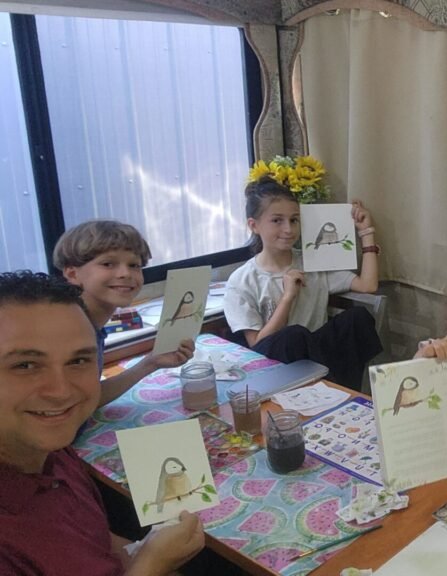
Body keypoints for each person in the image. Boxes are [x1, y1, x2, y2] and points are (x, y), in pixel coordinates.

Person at [0, 271, 205, 575]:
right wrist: (150, 566)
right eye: (25, 365)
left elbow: (97, 545)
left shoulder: (56, 455)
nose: (61, 391)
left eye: (79, 361)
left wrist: (149, 555)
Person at [224, 176, 383, 390]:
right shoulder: (241, 281)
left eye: (294, 220)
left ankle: (342, 390)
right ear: (254, 225)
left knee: (358, 317)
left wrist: (366, 232)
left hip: (321, 357)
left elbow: (368, 285)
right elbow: (257, 343)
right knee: (294, 335)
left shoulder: (313, 260)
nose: (288, 229)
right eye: (277, 220)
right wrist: (288, 297)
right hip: (276, 365)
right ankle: (332, 387)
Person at [54, 220, 194, 406]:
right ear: (72, 274)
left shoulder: (90, 325)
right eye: (108, 264)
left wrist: (152, 362)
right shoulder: (67, 331)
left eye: (134, 265)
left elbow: (87, 398)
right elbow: (72, 405)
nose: (125, 273)